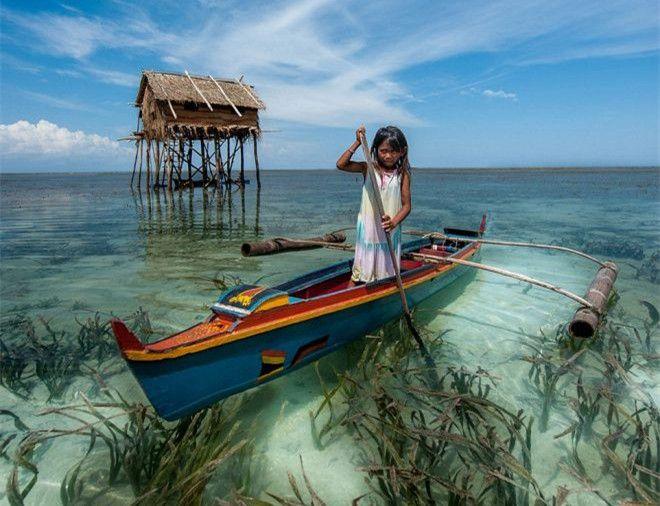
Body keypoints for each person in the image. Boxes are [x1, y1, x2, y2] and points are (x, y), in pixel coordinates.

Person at [336, 125, 412, 285]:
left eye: (393, 151)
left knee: (386, 272)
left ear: (402, 151)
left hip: (389, 229)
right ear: (376, 149)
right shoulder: (368, 168)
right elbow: (341, 164)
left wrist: (394, 222)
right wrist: (357, 142)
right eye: (383, 151)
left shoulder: (403, 174)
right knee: (359, 271)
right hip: (369, 228)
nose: (388, 155)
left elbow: (406, 206)